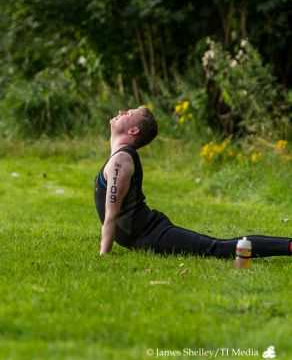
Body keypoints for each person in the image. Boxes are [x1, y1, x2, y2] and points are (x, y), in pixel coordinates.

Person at [94, 106, 292, 257]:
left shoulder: (122, 159)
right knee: (217, 247)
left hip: (152, 234)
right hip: (144, 233)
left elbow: (112, 213)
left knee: (217, 248)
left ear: (133, 131)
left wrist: (104, 255)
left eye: (128, 114)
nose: (122, 111)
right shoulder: (120, 157)